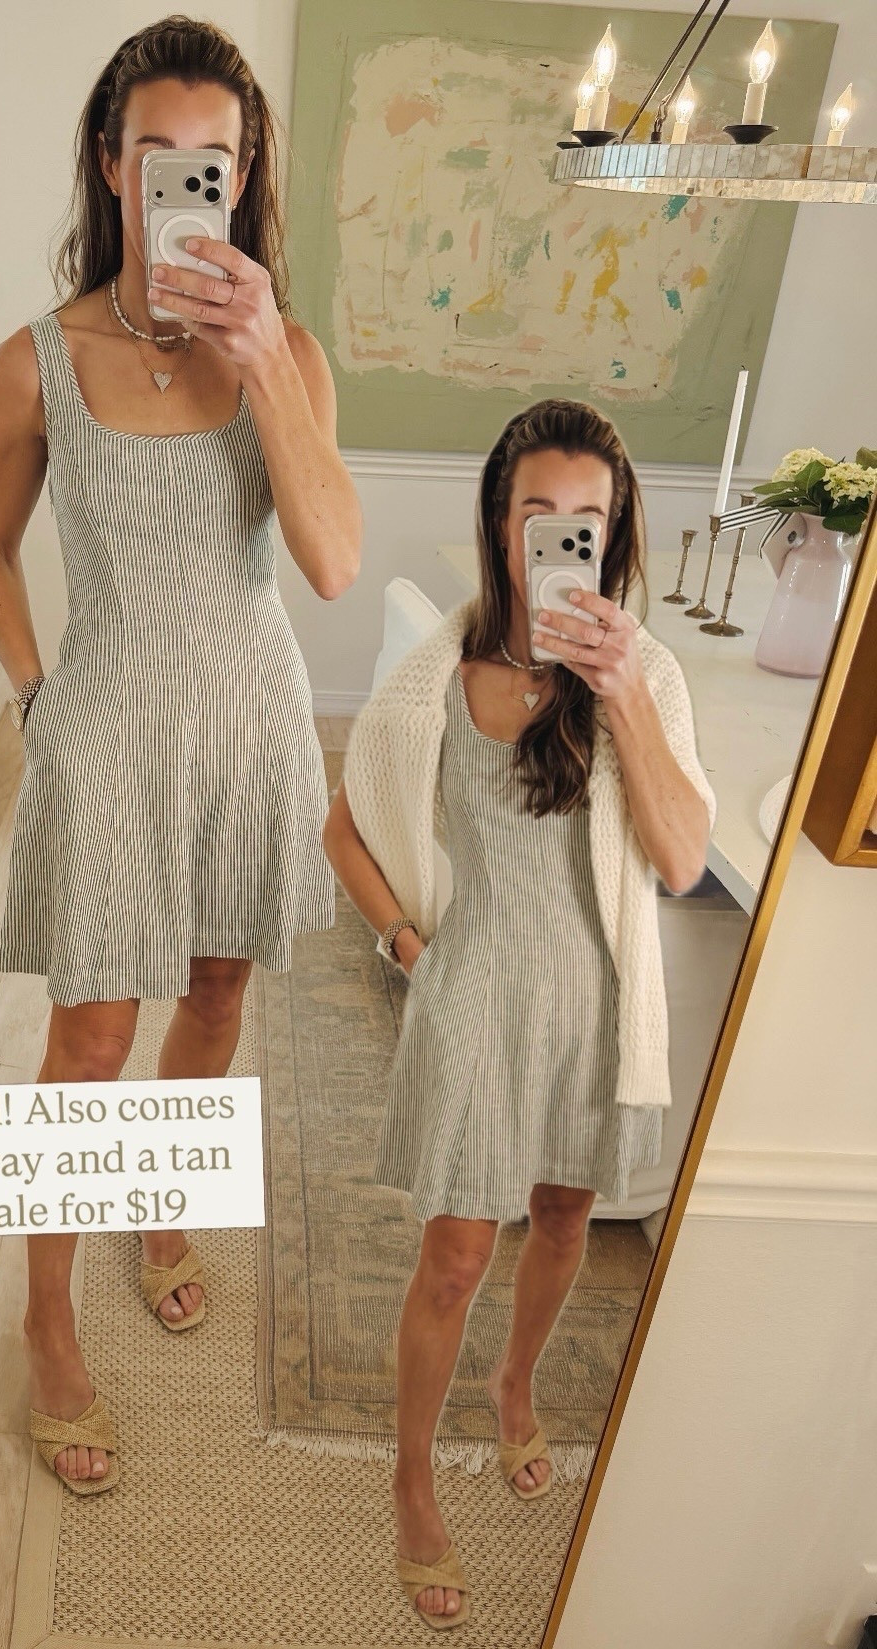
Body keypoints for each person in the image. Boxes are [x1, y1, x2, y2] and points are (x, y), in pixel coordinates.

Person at [0, 15, 362, 1497]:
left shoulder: (290, 354)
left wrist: (263, 364)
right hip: (109, 736)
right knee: (88, 1044)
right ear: (111, 162)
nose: (187, 181)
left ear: (243, 174)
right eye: (158, 155)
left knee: (215, 995)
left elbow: (331, 564)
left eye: (216, 159)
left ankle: (162, 1202)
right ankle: (46, 1313)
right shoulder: (34, 366)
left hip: (249, 726)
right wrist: (37, 702)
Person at [323, 400, 714, 1628]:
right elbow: (345, 827)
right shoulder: (435, 679)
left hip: (594, 1011)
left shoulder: (646, 677)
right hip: (477, 1001)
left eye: (585, 521)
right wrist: (406, 943)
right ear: (499, 523)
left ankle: (516, 1384)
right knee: (453, 1256)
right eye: (537, 514)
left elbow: (681, 858)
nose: (560, 540)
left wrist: (621, 693)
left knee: (561, 1218)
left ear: (616, 534)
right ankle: (411, 1473)